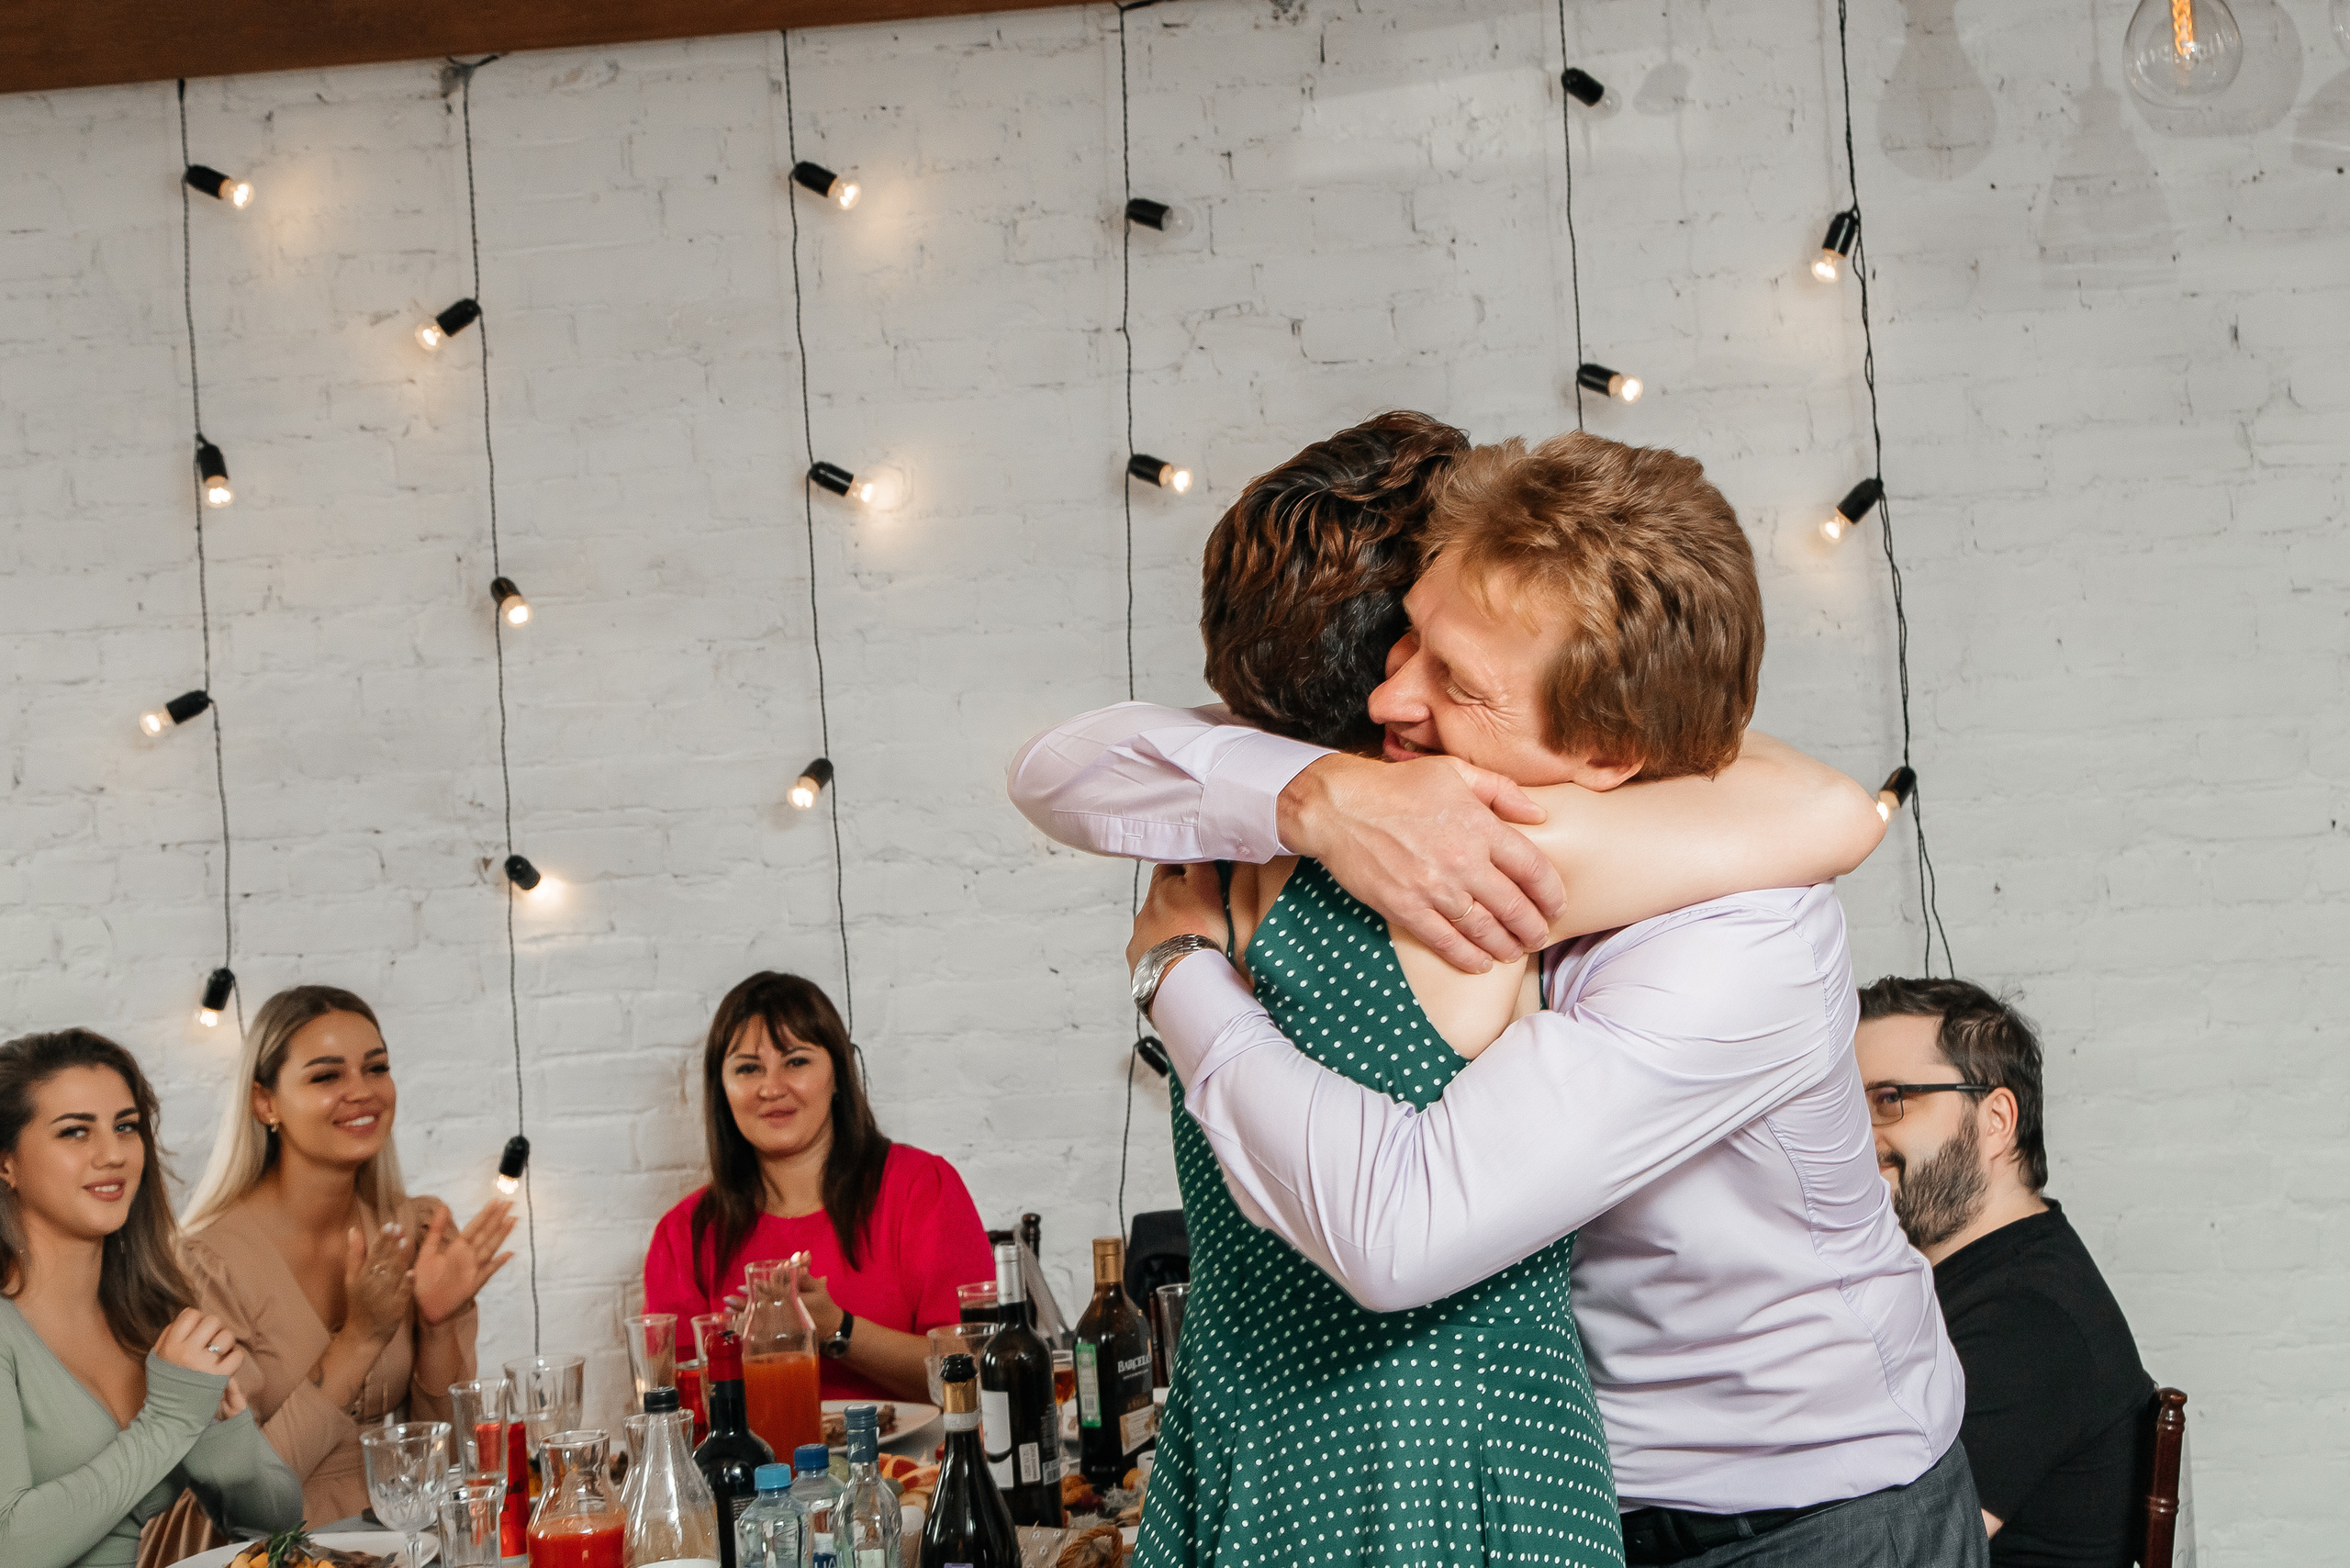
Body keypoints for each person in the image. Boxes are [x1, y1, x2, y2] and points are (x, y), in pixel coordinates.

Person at [1020, 430, 1980, 1566]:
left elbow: (1395, 1229)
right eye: (1410, 635)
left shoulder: (1746, 943)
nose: (1388, 692)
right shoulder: (1436, 798)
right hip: (1579, 1482)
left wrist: (1177, 978)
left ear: (1609, 747)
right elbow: (1065, 767)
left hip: (1807, 1508)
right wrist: (1319, 797)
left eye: (1452, 682)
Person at [178, 986, 515, 1524]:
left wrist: (438, 1322)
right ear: (265, 1102)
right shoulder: (208, 1265)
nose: (362, 1092)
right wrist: (360, 1338)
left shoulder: (416, 1229)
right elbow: (242, 1502)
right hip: (278, 1549)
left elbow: (453, 1462)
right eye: (326, 1076)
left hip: (407, 1538)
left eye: (376, 1069)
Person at [1856, 978, 2154, 1567]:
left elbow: (1903, 1553)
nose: (1860, 1140)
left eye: (1890, 1100)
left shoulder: (2032, 1317)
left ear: (1996, 1120)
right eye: (1845, 1108)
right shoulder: (1977, 1282)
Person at [0, 1028, 302, 1568]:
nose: (112, 1154)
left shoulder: (150, 1319)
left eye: (126, 1127)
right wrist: (169, 1420)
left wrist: (223, 1436)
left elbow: (277, 1523)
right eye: (75, 1133)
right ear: (6, 1164)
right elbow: (10, 1546)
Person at [643, 972, 991, 1403]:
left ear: (838, 1076)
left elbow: (974, 1369)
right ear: (723, 1090)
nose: (771, 1088)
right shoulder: (684, 1234)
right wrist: (733, 1353)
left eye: (797, 1062)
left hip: (914, 1467)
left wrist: (837, 1330)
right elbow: (666, 1403)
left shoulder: (922, 1187)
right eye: (748, 1069)